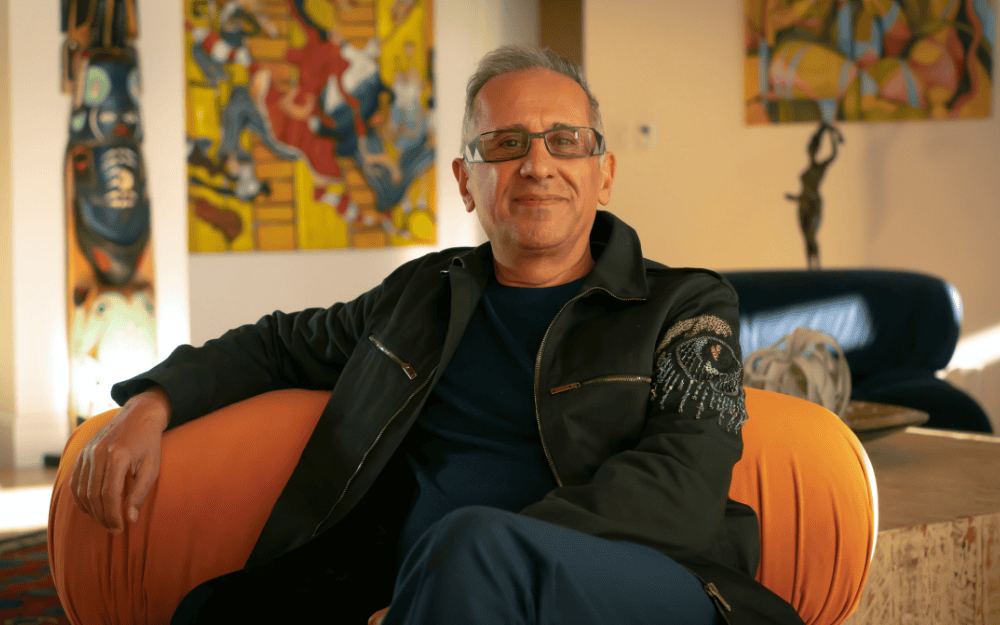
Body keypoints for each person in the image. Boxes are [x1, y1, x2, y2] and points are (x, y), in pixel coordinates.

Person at [68, 45, 806, 625]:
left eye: (564, 140)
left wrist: (459, 571)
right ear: (464, 179)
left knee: (469, 545)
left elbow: (682, 490)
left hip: (651, 578)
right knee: (216, 611)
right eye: (507, 143)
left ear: (603, 172)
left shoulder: (686, 303)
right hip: (421, 573)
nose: (538, 163)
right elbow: (275, 344)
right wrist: (151, 403)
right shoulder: (420, 296)